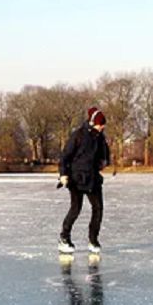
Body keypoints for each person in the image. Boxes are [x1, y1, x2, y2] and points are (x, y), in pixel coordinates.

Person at [58, 107, 111, 254]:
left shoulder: (100, 137)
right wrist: (63, 174)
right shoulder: (78, 135)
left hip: (93, 178)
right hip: (76, 178)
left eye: (104, 125)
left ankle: (93, 240)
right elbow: (65, 156)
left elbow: (105, 153)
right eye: (101, 124)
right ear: (94, 122)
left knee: (98, 208)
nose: (103, 127)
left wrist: (105, 161)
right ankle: (64, 237)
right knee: (76, 208)